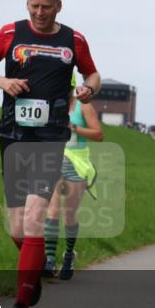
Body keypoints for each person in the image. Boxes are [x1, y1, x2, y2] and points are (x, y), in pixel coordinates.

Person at [0, 0, 101, 308]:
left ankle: (21, 307)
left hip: (51, 139)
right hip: (13, 137)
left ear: (59, 5)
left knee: (34, 218)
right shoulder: (9, 34)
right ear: (27, 4)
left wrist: (89, 90)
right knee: (17, 226)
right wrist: (3, 81)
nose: (40, 13)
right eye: (34, 6)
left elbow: (93, 75)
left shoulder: (73, 40)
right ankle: (31, 273)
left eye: (47, 7)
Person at [44, 75, 104, 280]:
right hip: (55, 159)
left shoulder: (83, 105)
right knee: (52, 209)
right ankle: (49, 259)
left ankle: (69, 255)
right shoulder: (51, 104)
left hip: (77, 163)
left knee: (69, 214)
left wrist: (74, 128)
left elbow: (99, 134)